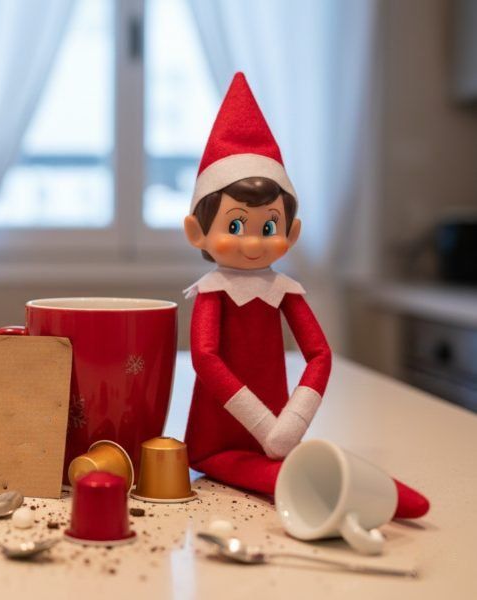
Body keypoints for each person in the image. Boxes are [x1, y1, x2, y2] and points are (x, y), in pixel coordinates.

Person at [183, 72, 428, 519]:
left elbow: (319, 354)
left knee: (300, 468)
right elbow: (205, 358)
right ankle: (364, 496)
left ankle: (365, 491)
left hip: (278, 436)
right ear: (197, 232)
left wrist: (291, 421)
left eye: (269, 226)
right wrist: (265, 425)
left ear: (292, 233)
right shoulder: (213, 293)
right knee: (297, 476)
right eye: (235, 225)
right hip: (215, 439)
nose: (253, 242)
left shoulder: (284, 291)